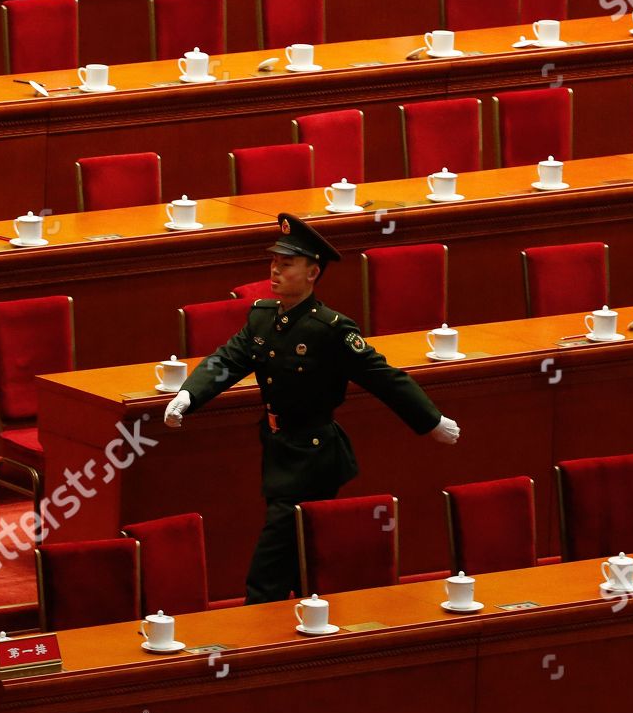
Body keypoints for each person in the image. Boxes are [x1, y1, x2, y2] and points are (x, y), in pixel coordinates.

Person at [163, 212, 460, 603]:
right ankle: (303, 627)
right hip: (277, 449)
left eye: (286, 264)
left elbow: (383, 377)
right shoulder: (263, 317)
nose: (275, 270)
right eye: (274, 262)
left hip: (313, 456)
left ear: (312, 273)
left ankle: (259, 639)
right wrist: (189, 394)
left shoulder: (331, 330)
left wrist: (431, 420)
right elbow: (227, 360)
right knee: (299, 558)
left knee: (267, 573)